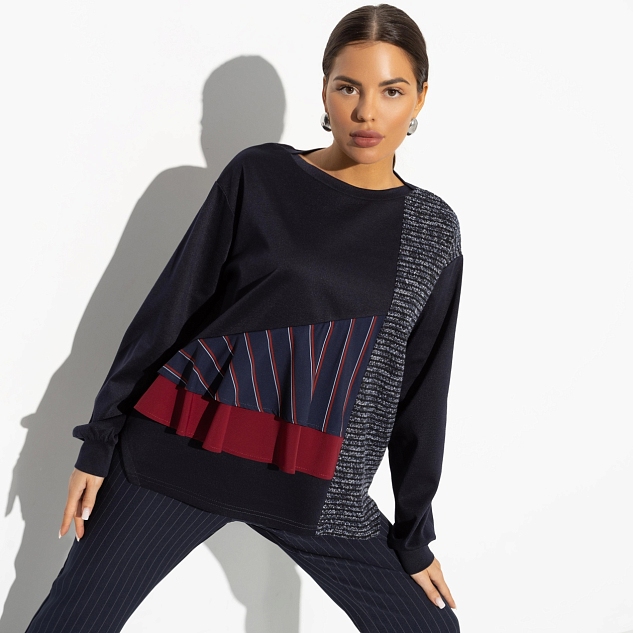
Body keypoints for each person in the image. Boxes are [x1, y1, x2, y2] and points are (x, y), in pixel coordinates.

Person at [25, 4, 463, 632]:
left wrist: (414, 535)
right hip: (179, 453)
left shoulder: (430, 228)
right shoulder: (260, 173)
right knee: (70, 624)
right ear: (325, 90)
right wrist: (99, 441)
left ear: (420, 95)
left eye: (391, 91)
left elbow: (421, 390)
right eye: (349, 88)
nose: (367, 112)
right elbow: (172, 308)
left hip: (317, 486)